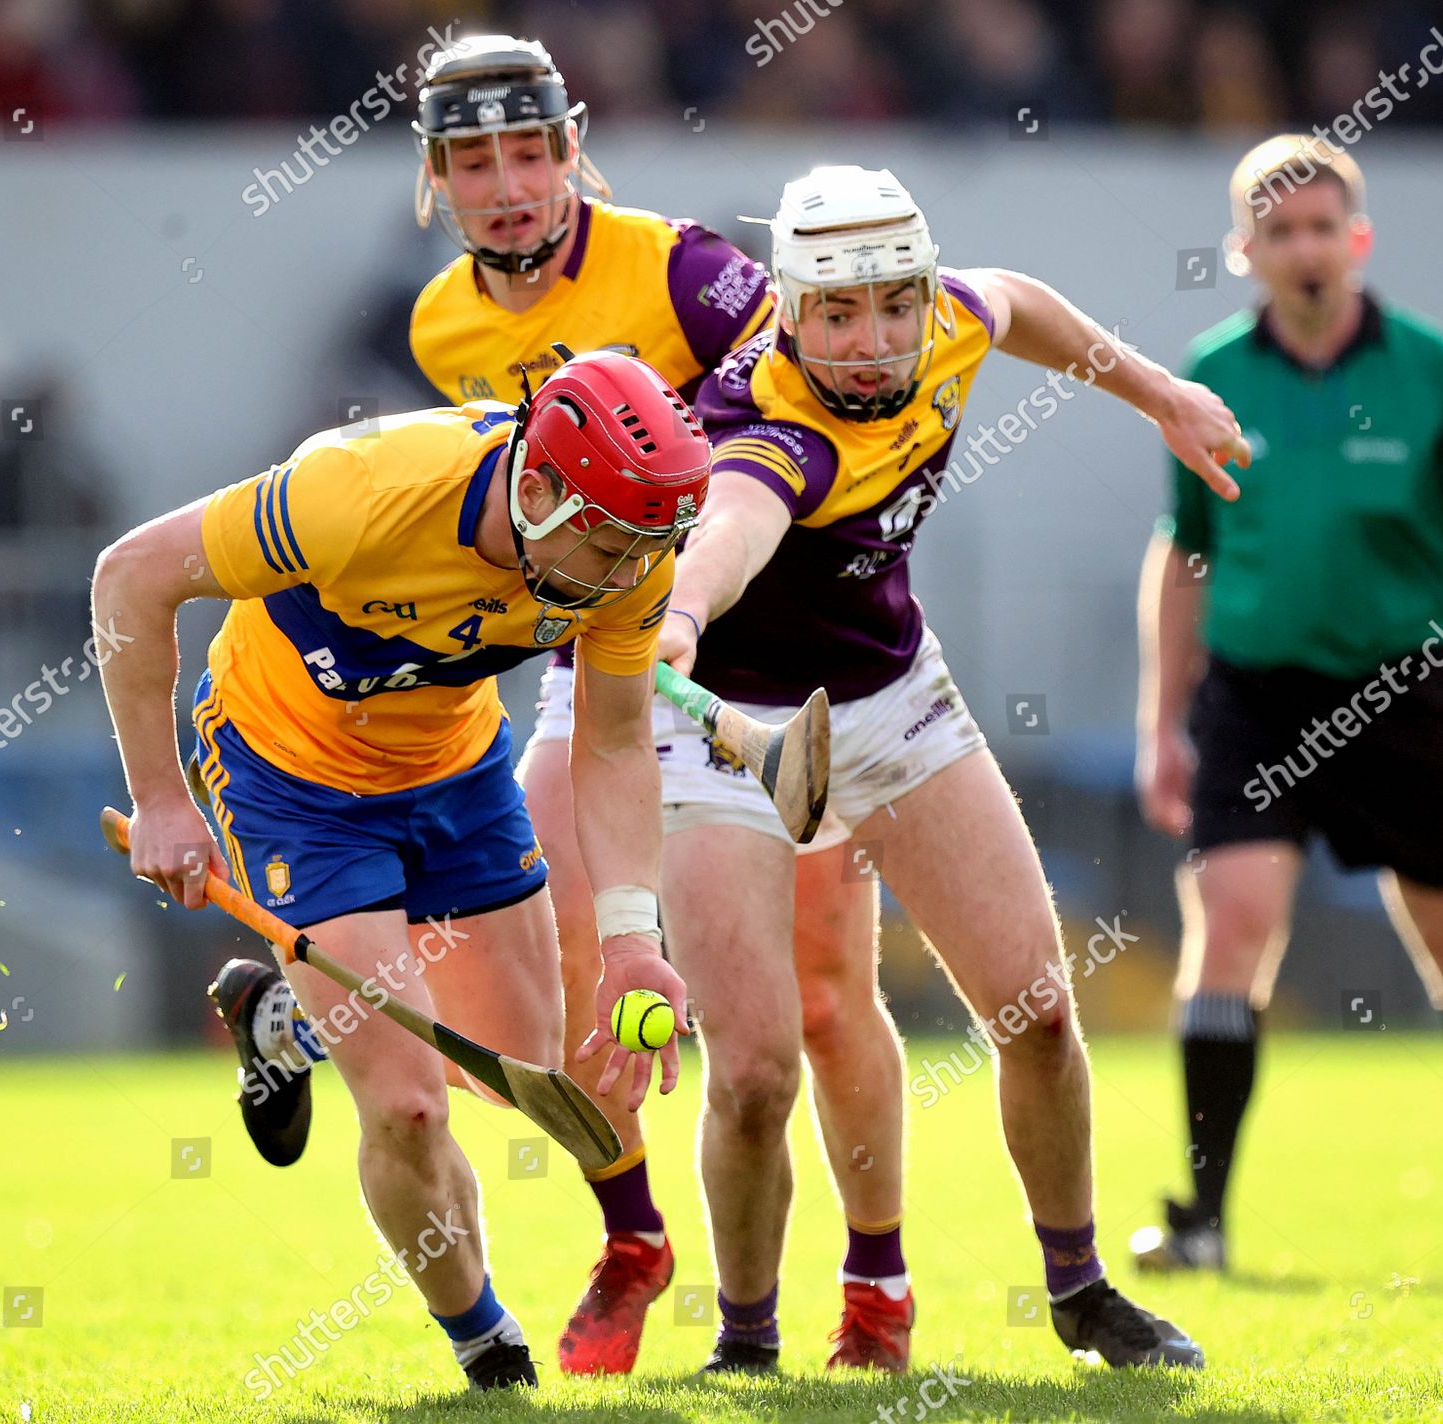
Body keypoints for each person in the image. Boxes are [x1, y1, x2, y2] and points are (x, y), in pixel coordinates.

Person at [210, 32, 921, 1374]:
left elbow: (813, 390)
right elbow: (527, 512)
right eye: (473, 160)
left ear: (575, 145)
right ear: (433, 178)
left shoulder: (691, 270)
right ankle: (635, 1233)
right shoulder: (440, 326)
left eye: (531, 151)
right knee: (546, 1013)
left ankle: (871, 1289)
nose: (508, 185)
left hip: (762, 650)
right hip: (595, 654)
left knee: (817, 1000)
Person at [655, 164, 1248, 1372]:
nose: (872, 342)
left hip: (899, 701)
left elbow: (1019, 301)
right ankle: (748, 1339)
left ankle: (1082, 1292)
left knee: (1034, 1008)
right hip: (731, 729)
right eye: (837, 313)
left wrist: (1160, 397)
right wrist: (682, 615)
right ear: (786, 312)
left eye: (893, 306)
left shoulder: (948, 318)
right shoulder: (769, 431)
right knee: (757, 1070)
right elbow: (733, 522)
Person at [92, 351, 707, 1390]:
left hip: (454, 773)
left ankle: (287, 1020)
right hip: (292, 777)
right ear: (542, 486)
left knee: (522, 1072)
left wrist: (633, 938)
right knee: (412, 1102)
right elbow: (131, 576)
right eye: (607, 542)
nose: (623, 573)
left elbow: (611, 745)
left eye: (643, 549)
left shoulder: (630, 549)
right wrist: (160, 797)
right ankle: (486, 1342)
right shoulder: (360, 494)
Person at [1131, 135, 1443, 1272]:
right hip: (1256, 698)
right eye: (1281, 232)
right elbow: (1186, 554)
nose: (1304, 249)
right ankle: (1202, 1221)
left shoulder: (1429, 367)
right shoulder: (1211, 376)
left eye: (1324, 228)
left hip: (1411, 694)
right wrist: (1162, 722)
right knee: (1233, 927)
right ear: (1245, 250)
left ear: (1358, 240)